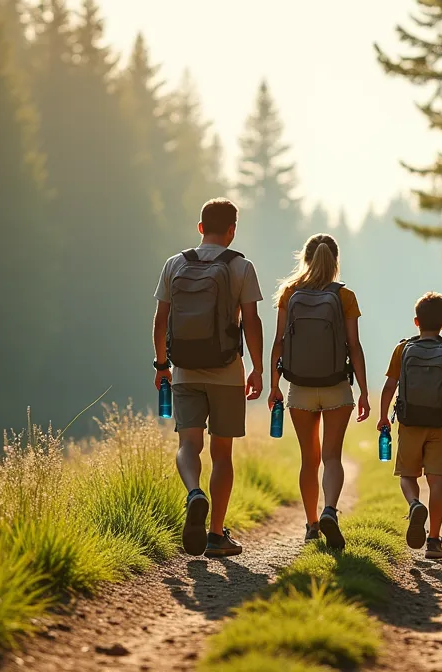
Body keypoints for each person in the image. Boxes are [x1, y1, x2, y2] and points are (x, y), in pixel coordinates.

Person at [152, 198, 264, 559]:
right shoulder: (241, 266)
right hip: (227, 372)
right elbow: (252, 322)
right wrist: (258, 369)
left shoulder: (175, 264)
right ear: (232, 230)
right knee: (222, 454)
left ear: (200, 228)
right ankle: (216, 534)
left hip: (184, 370)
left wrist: (161, 365)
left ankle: (193, 493)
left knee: (188, 444)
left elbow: (160, 321)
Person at [268, 234, 371, 550]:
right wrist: (365, 392)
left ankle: (312, 524)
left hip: (299, 387)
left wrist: (274, 385)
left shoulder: (290, 293)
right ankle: (330, 510)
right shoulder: (345, 296)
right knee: (332, 456)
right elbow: (353, 345)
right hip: (336, 385)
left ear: (306, 258)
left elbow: (279, 342)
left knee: (308, 460)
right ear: (335, 260)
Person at [376, 292, 442, 560]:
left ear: (416, 321)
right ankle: (433, 541)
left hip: (409, 422)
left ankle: (414, 504)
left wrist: (383, 416)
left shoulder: (403, 348)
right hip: (441, 423)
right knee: (437, 481)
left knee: (407, 474)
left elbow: (389, 385)